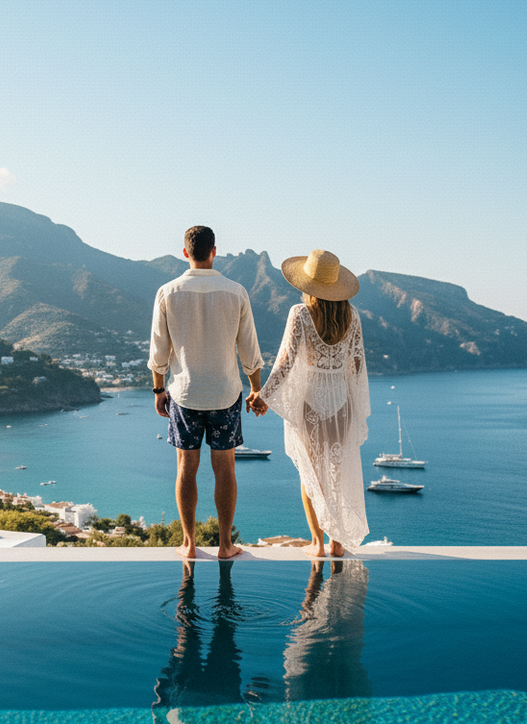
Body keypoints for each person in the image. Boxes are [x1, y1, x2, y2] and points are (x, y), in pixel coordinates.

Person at [149, 225, 264, 560]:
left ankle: (189, 544)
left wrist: (158, 390)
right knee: (225, 469)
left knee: (186, 467)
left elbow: (158, 352)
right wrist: (256, 389)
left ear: (185, 253)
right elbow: (250, 350)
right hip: (226, 394)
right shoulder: (236, 291)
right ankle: (226, 544)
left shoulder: (168, 292)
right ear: (215, 251)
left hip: (184, 395)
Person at [254, 249, 370, 558]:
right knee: (338, 473)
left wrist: (263, 396)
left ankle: (317, 543)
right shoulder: (352, 316)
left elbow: (285, 363)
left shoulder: (300, 314)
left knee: (311, 474)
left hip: (310, 405)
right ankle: (338, 543)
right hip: (342, 403)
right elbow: (357, 366)